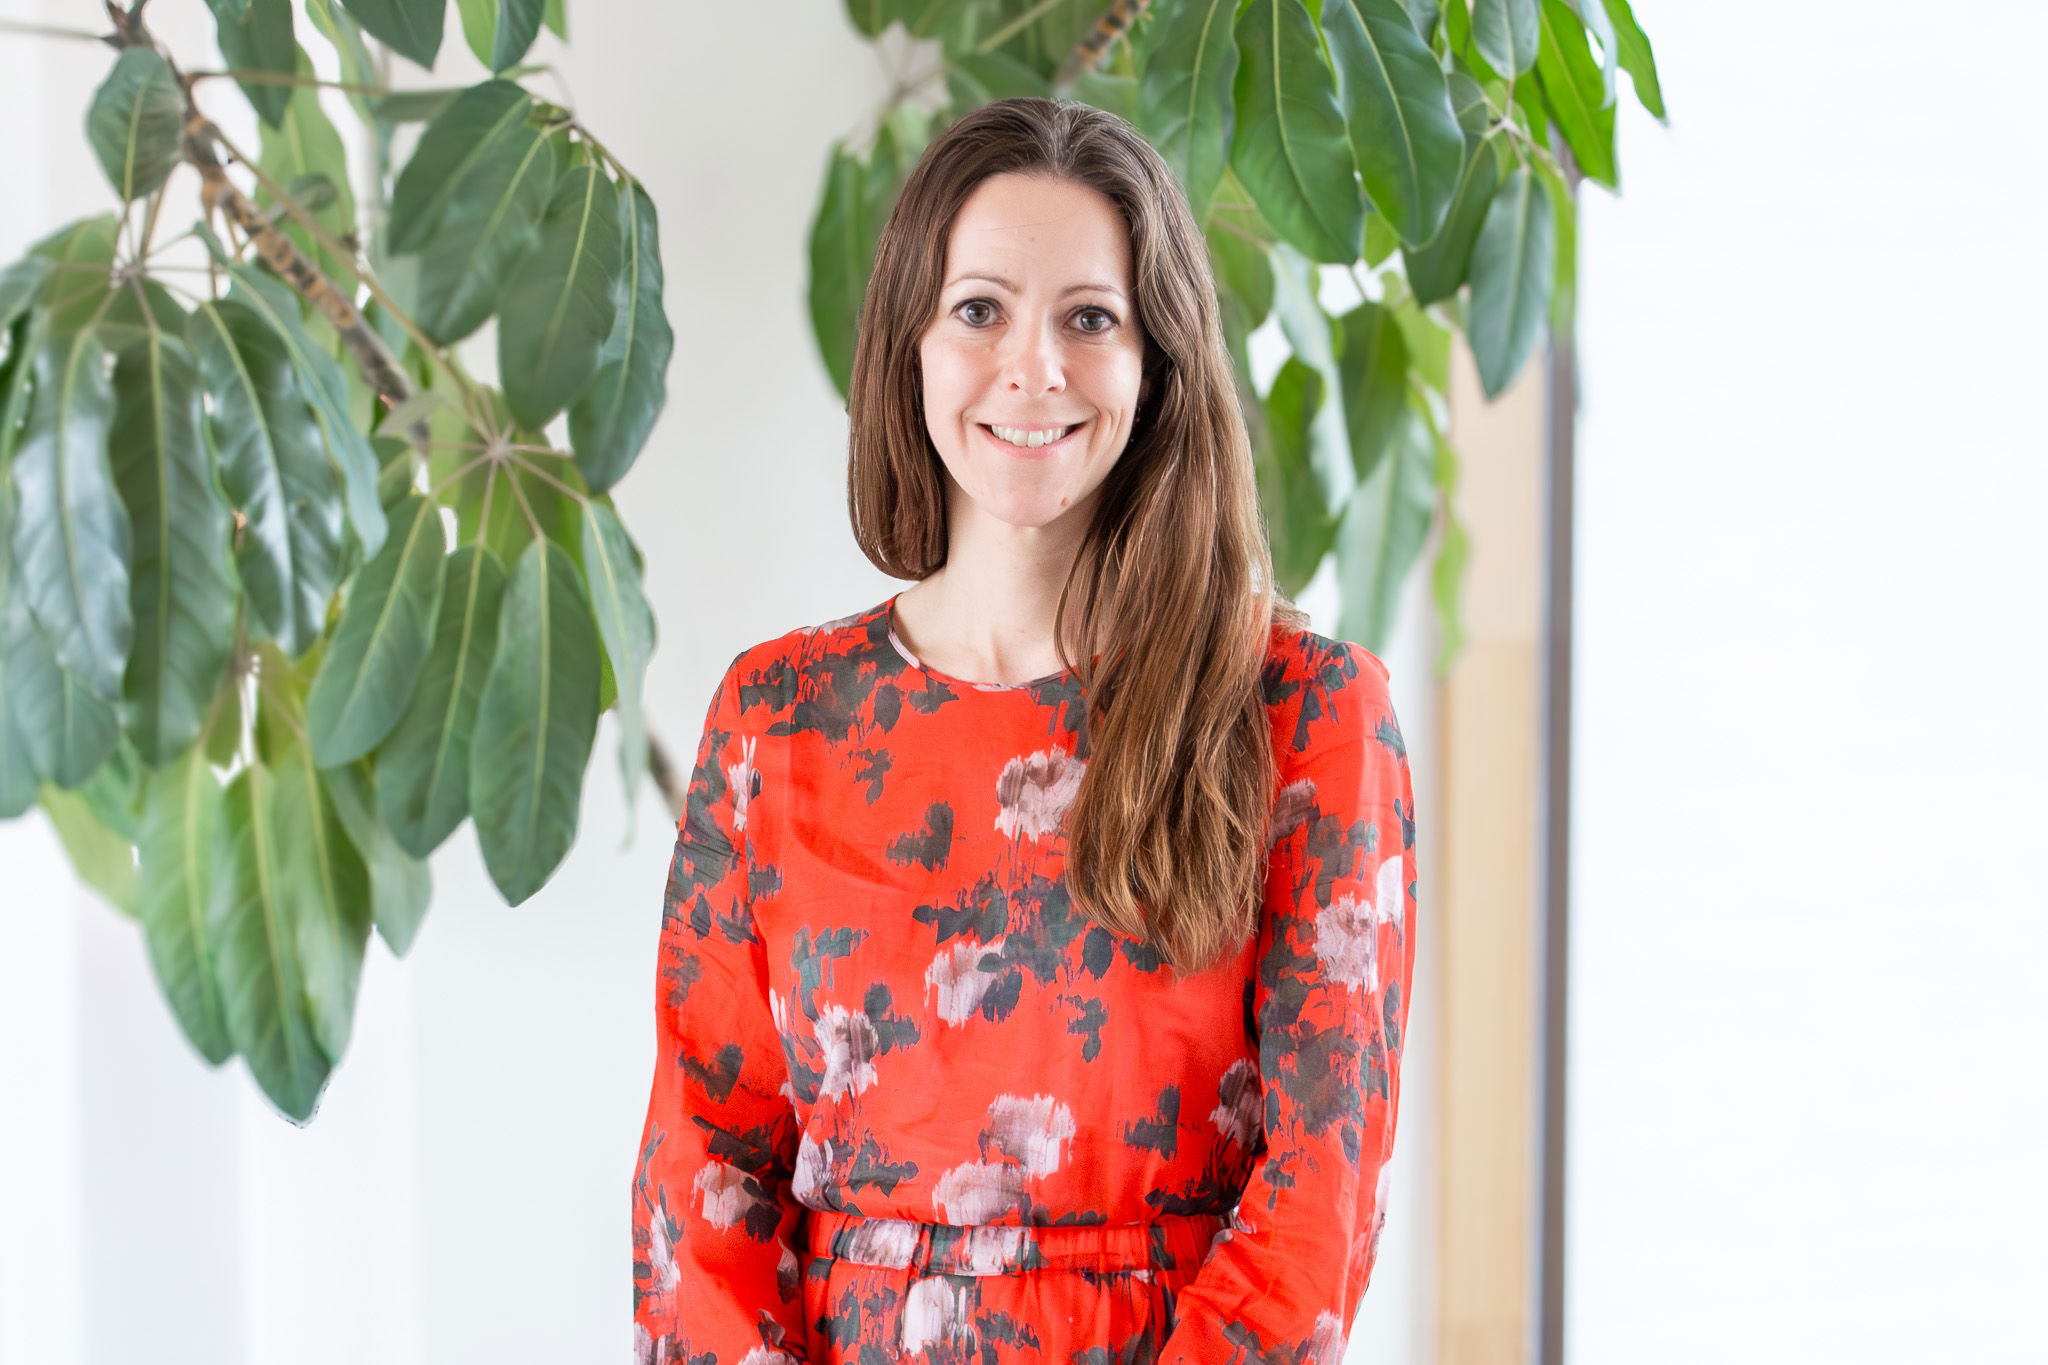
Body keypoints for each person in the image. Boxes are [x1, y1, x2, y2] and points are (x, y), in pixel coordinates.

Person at [631, 96, 1417, 1365]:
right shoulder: (774, 719)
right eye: (979, 309)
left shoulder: (1304, 711)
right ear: (910, 345)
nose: (1033, 367)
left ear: (1158, 360)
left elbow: (1318, 1200)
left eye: (1088, 319)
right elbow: (703, 1176)